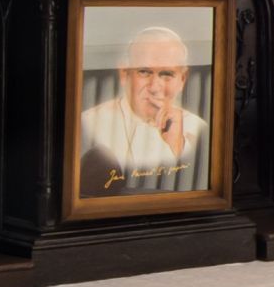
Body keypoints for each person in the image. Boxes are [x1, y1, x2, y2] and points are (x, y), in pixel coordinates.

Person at [79, 21, 206, 195]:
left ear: (182, 80)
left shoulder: (198, 128)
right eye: (144, 72)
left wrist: (178, 145)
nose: (154, 87)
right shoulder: (87, 122)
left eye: (167, 74)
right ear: (124, 74)